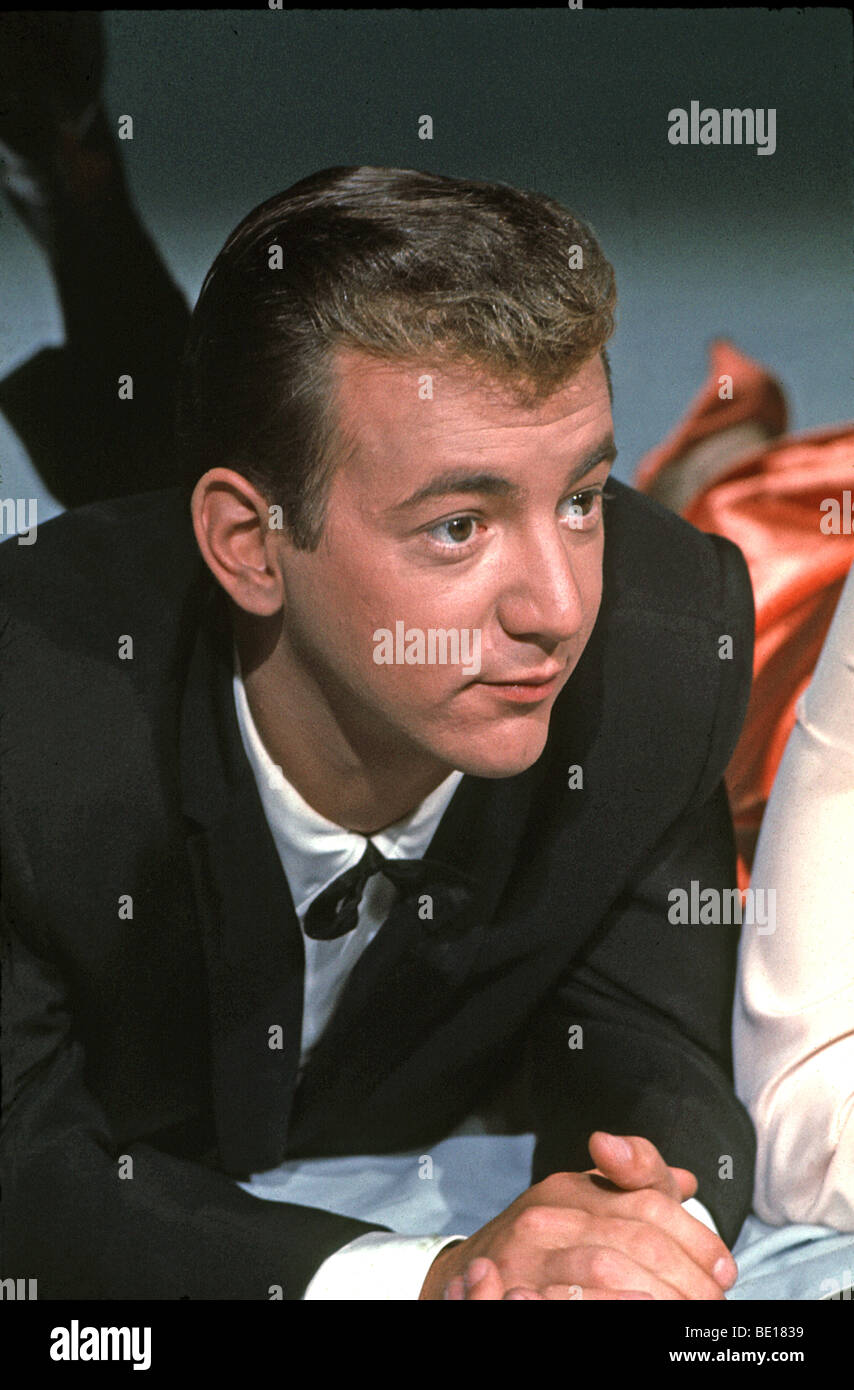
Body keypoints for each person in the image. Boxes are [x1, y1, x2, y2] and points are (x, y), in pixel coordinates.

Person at [0, 161, 758, 1300]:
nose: (558, 610)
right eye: (458, 527)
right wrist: (433, 1278)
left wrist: (625, 1233)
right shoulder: (29, 735)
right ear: (248, 547)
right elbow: (22, 1159)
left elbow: (653, 1051)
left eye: (580, 500)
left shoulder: (662, 651)